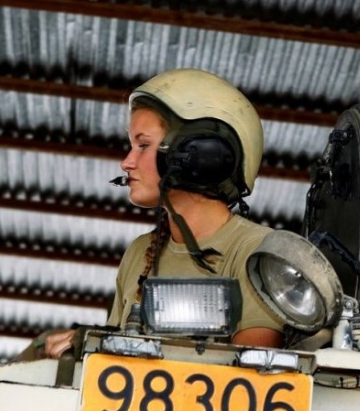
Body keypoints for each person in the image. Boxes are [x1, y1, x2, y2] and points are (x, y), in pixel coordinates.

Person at [39, 68, 284, 359]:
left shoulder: (256, 250)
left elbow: (253, 369)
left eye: (143, 145)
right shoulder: (140, 253)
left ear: (201, 153)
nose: (126, 163)